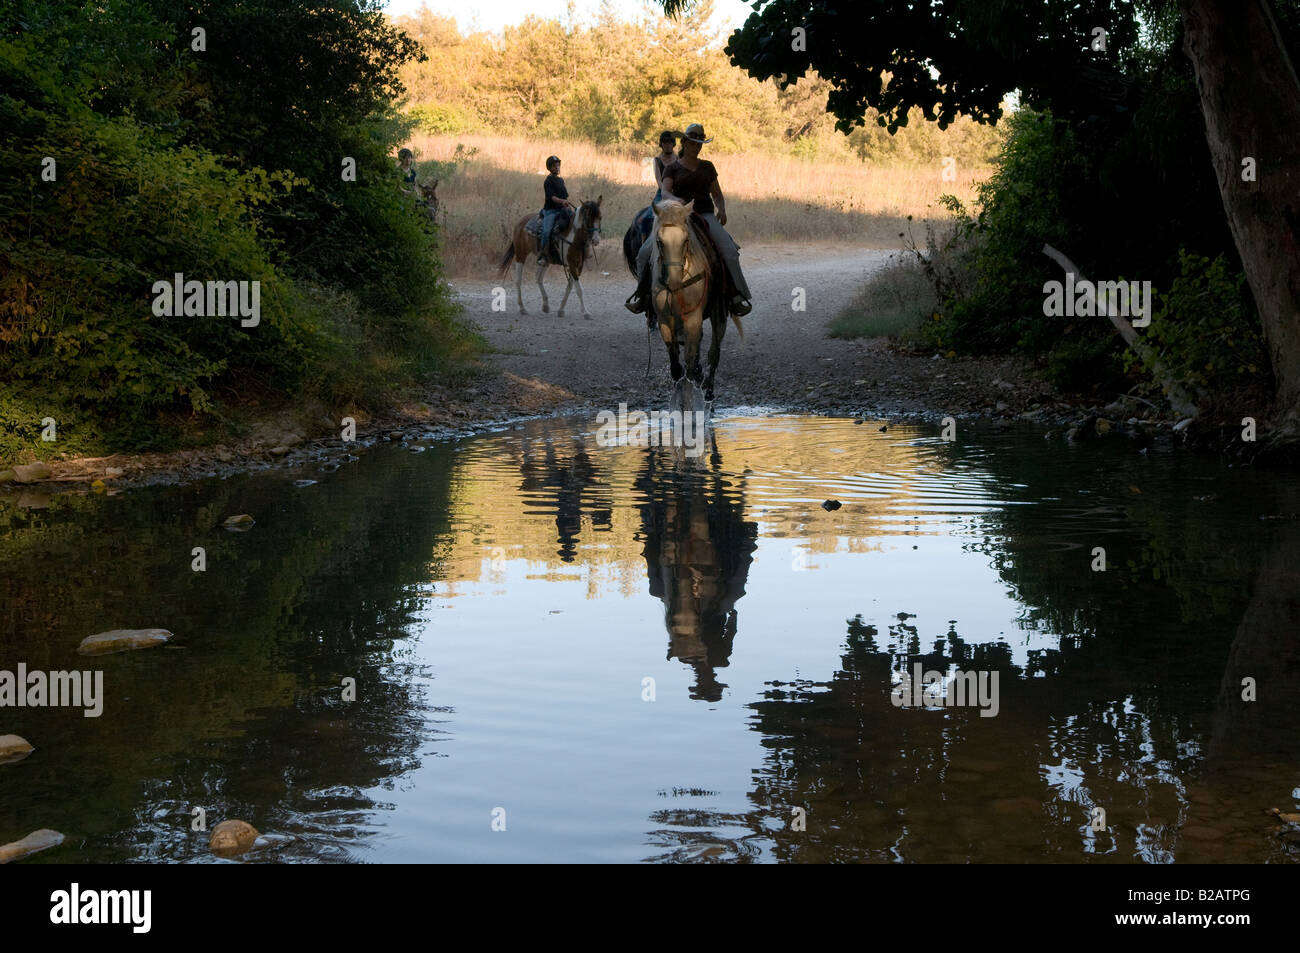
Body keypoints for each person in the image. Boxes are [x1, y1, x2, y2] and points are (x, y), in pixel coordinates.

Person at [626, 123, 752, 317]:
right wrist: (676, 200)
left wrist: (722, 208)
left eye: (700, 142)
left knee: (729, 251)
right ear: (685, 142)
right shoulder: (672, 168)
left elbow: (717, 194)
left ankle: (736, 295)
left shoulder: (708, 167)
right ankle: (642, 296)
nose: (697, 146)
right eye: (694, 142)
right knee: (644, 254)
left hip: (706, 215)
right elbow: (665, 191)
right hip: (679, 216)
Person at [539, 155, 574, 265]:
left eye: (558, 165)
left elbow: (565, 195)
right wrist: (562, 201)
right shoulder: (548, 181)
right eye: (554, 166)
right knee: (546, 232)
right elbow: (552, 198)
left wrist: (566, 203)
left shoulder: (561, 180)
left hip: (562, 209)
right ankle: (543, 255)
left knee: (576, 222)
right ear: (549, 168)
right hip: (551, 211)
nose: (557, 167)